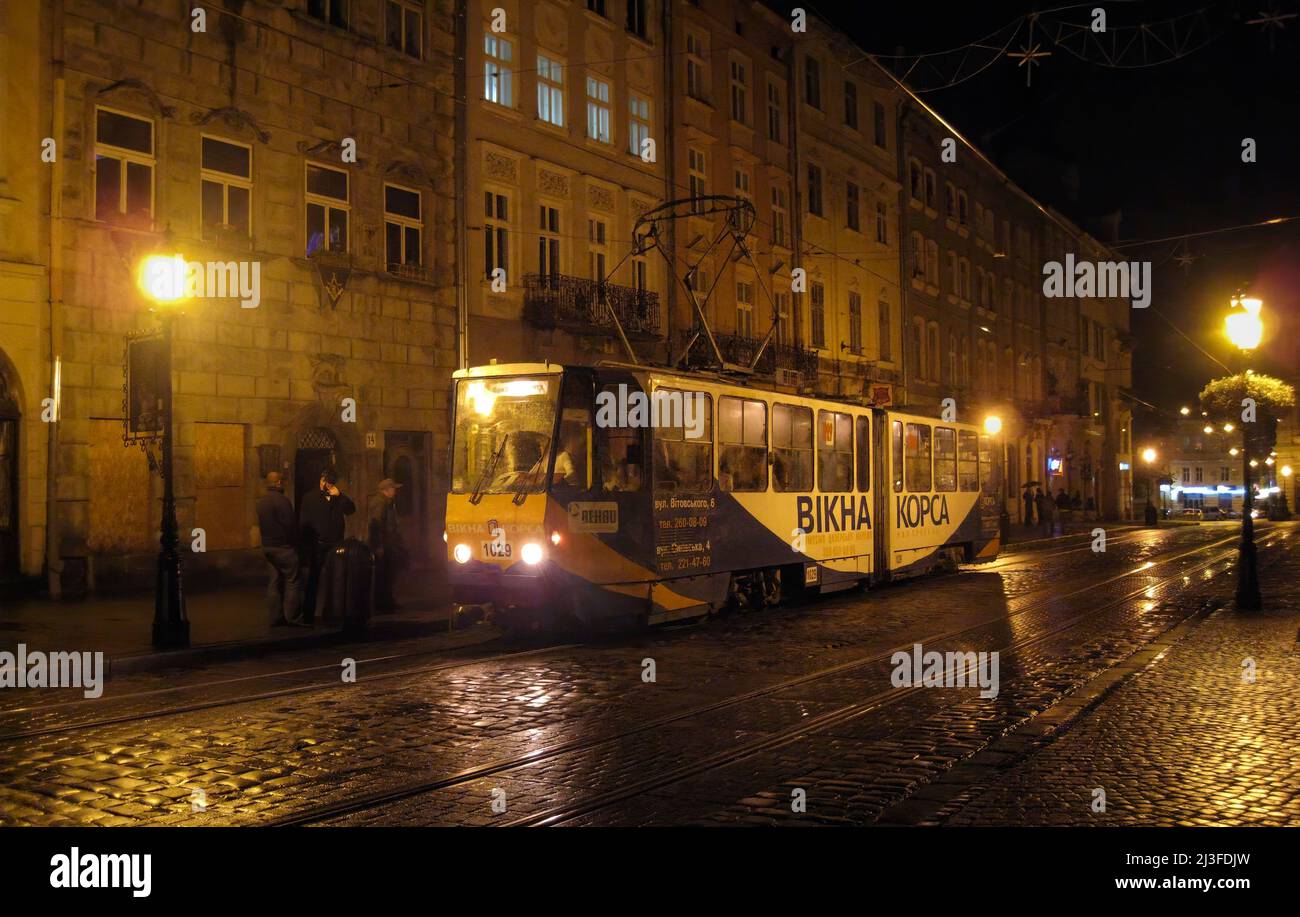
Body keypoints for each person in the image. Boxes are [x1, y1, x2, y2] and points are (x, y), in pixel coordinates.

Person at [298, 470, 356, 622]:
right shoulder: (309, 497)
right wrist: (306, 547)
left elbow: (351, 510)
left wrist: (340, 495)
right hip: (317, 544)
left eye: (330, 482)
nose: (327, 484)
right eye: (325, 481)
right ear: (321, 480)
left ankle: (332, 612)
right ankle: (308, 614)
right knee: (313, 579)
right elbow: (304, 523)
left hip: (335, 544)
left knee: (335, 578)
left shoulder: (338, 498)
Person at [255, 471, 304, 626]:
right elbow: (290, 526)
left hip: (268, 547)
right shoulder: (282, 501)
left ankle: (275, 617)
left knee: (274, 581)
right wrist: (296, 544)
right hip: (284, 547)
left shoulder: (262, 502)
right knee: (292, 581)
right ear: (278, 483)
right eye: (281, 481)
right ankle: (292, 618)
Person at [368, 478, 404, 612]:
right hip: (384, 544)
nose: (395, 491)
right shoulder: (380, 503)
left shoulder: (388, 502)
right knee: (383, 575)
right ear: (386, 490)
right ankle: (382, 605)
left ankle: (388, 602)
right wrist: (378, 546)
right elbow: (376, 525)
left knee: (389, 574)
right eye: (393, 488)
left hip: (389, 543)